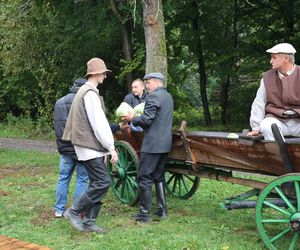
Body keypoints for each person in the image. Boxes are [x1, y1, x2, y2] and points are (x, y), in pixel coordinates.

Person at [62, 58, 118, 233]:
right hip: (89, 148)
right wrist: (111, 147)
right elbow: (99, 124)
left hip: (87, 147)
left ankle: (89, 222)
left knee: (96, 182)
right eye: (103, 73)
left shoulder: (85, 91)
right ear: (95, 73)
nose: (105, 76)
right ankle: (74, 211)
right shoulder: (90, 93)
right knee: (102, 182)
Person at [122, 72, 174, 223]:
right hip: (165, 144)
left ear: (157, 82)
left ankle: (144, 214)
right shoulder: (168, 97)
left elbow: (147, 120)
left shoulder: (153, 97)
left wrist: (132, 119)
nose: (147, 86)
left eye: (149, 83)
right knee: (158, 176)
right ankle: (162, 211)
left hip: (152, 144)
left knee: (144, 177)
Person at [247, 43, 300, 140]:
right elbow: (259, 102)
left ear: (286, 59)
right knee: (266, 125)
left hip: (298, 123)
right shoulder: (267, 77)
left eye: (274, 58)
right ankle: (279, 154)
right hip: (277, 121)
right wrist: (256, 127)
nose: (271, 61)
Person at [53, 78, 89, 218]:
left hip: (64, 147)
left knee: (63, 178)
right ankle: (77, 210)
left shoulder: (59, 102)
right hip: (80, 147)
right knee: (82, 179)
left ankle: (59, 210)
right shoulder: (83, 101)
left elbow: (57, 125)